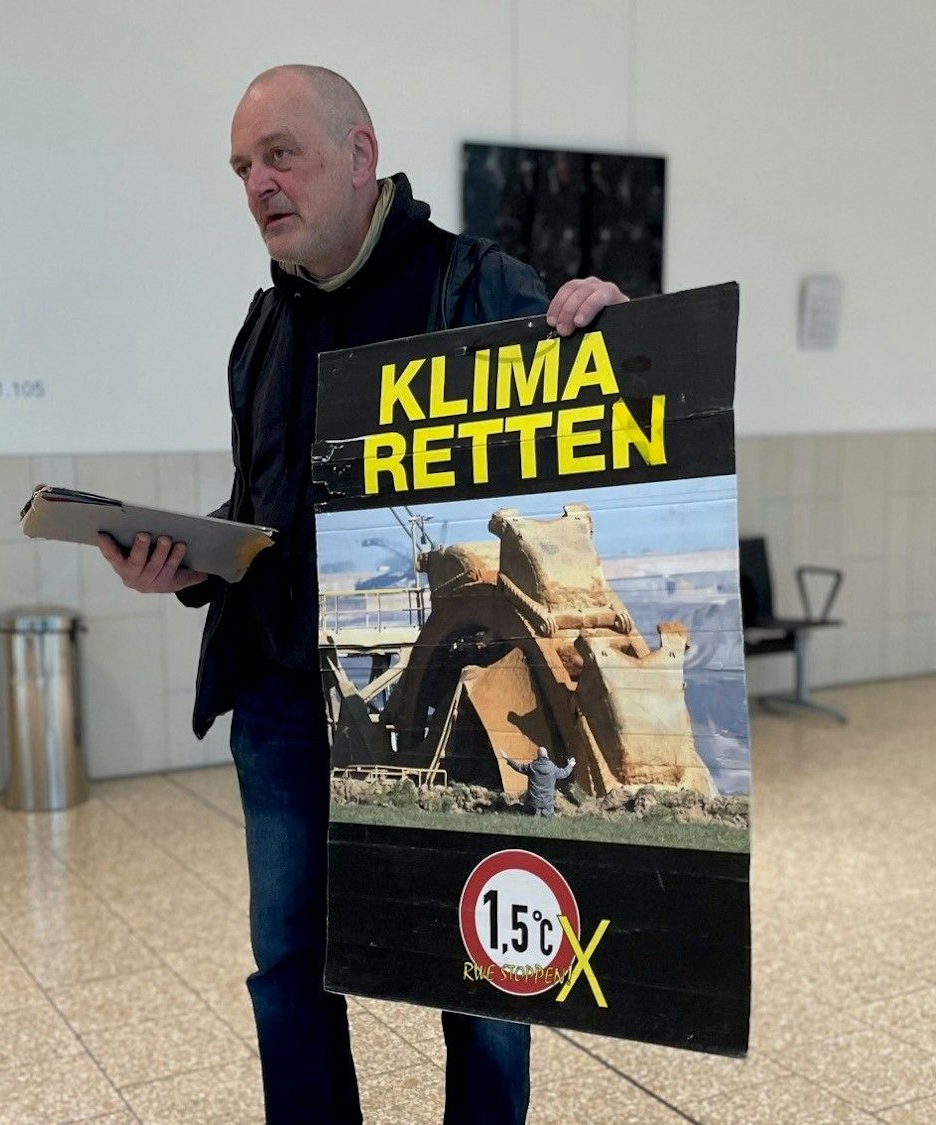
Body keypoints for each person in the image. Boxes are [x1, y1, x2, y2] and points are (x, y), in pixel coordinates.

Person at [98, 64, 627, 1125]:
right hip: (288, 702)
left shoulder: (476, 287)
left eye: (278, 155)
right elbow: (268, 508)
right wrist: (193, 558)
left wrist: (610, 327)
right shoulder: (263, 330)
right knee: (288, 966)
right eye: (243, 167)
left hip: (449, 691)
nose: (257, 185)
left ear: (358, 155)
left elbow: (600, 432)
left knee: (481, 975)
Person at [502, 746, 576, 817]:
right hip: (547, 807)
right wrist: (570, 765)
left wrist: (507, 758)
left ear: (538, 756)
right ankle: (545, 813)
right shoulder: (553, 769)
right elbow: (565, 773)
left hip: (532, 807)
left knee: (521, 808)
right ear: (547, 756)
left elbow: (518, 766)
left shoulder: (532, 767)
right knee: (549, 812)